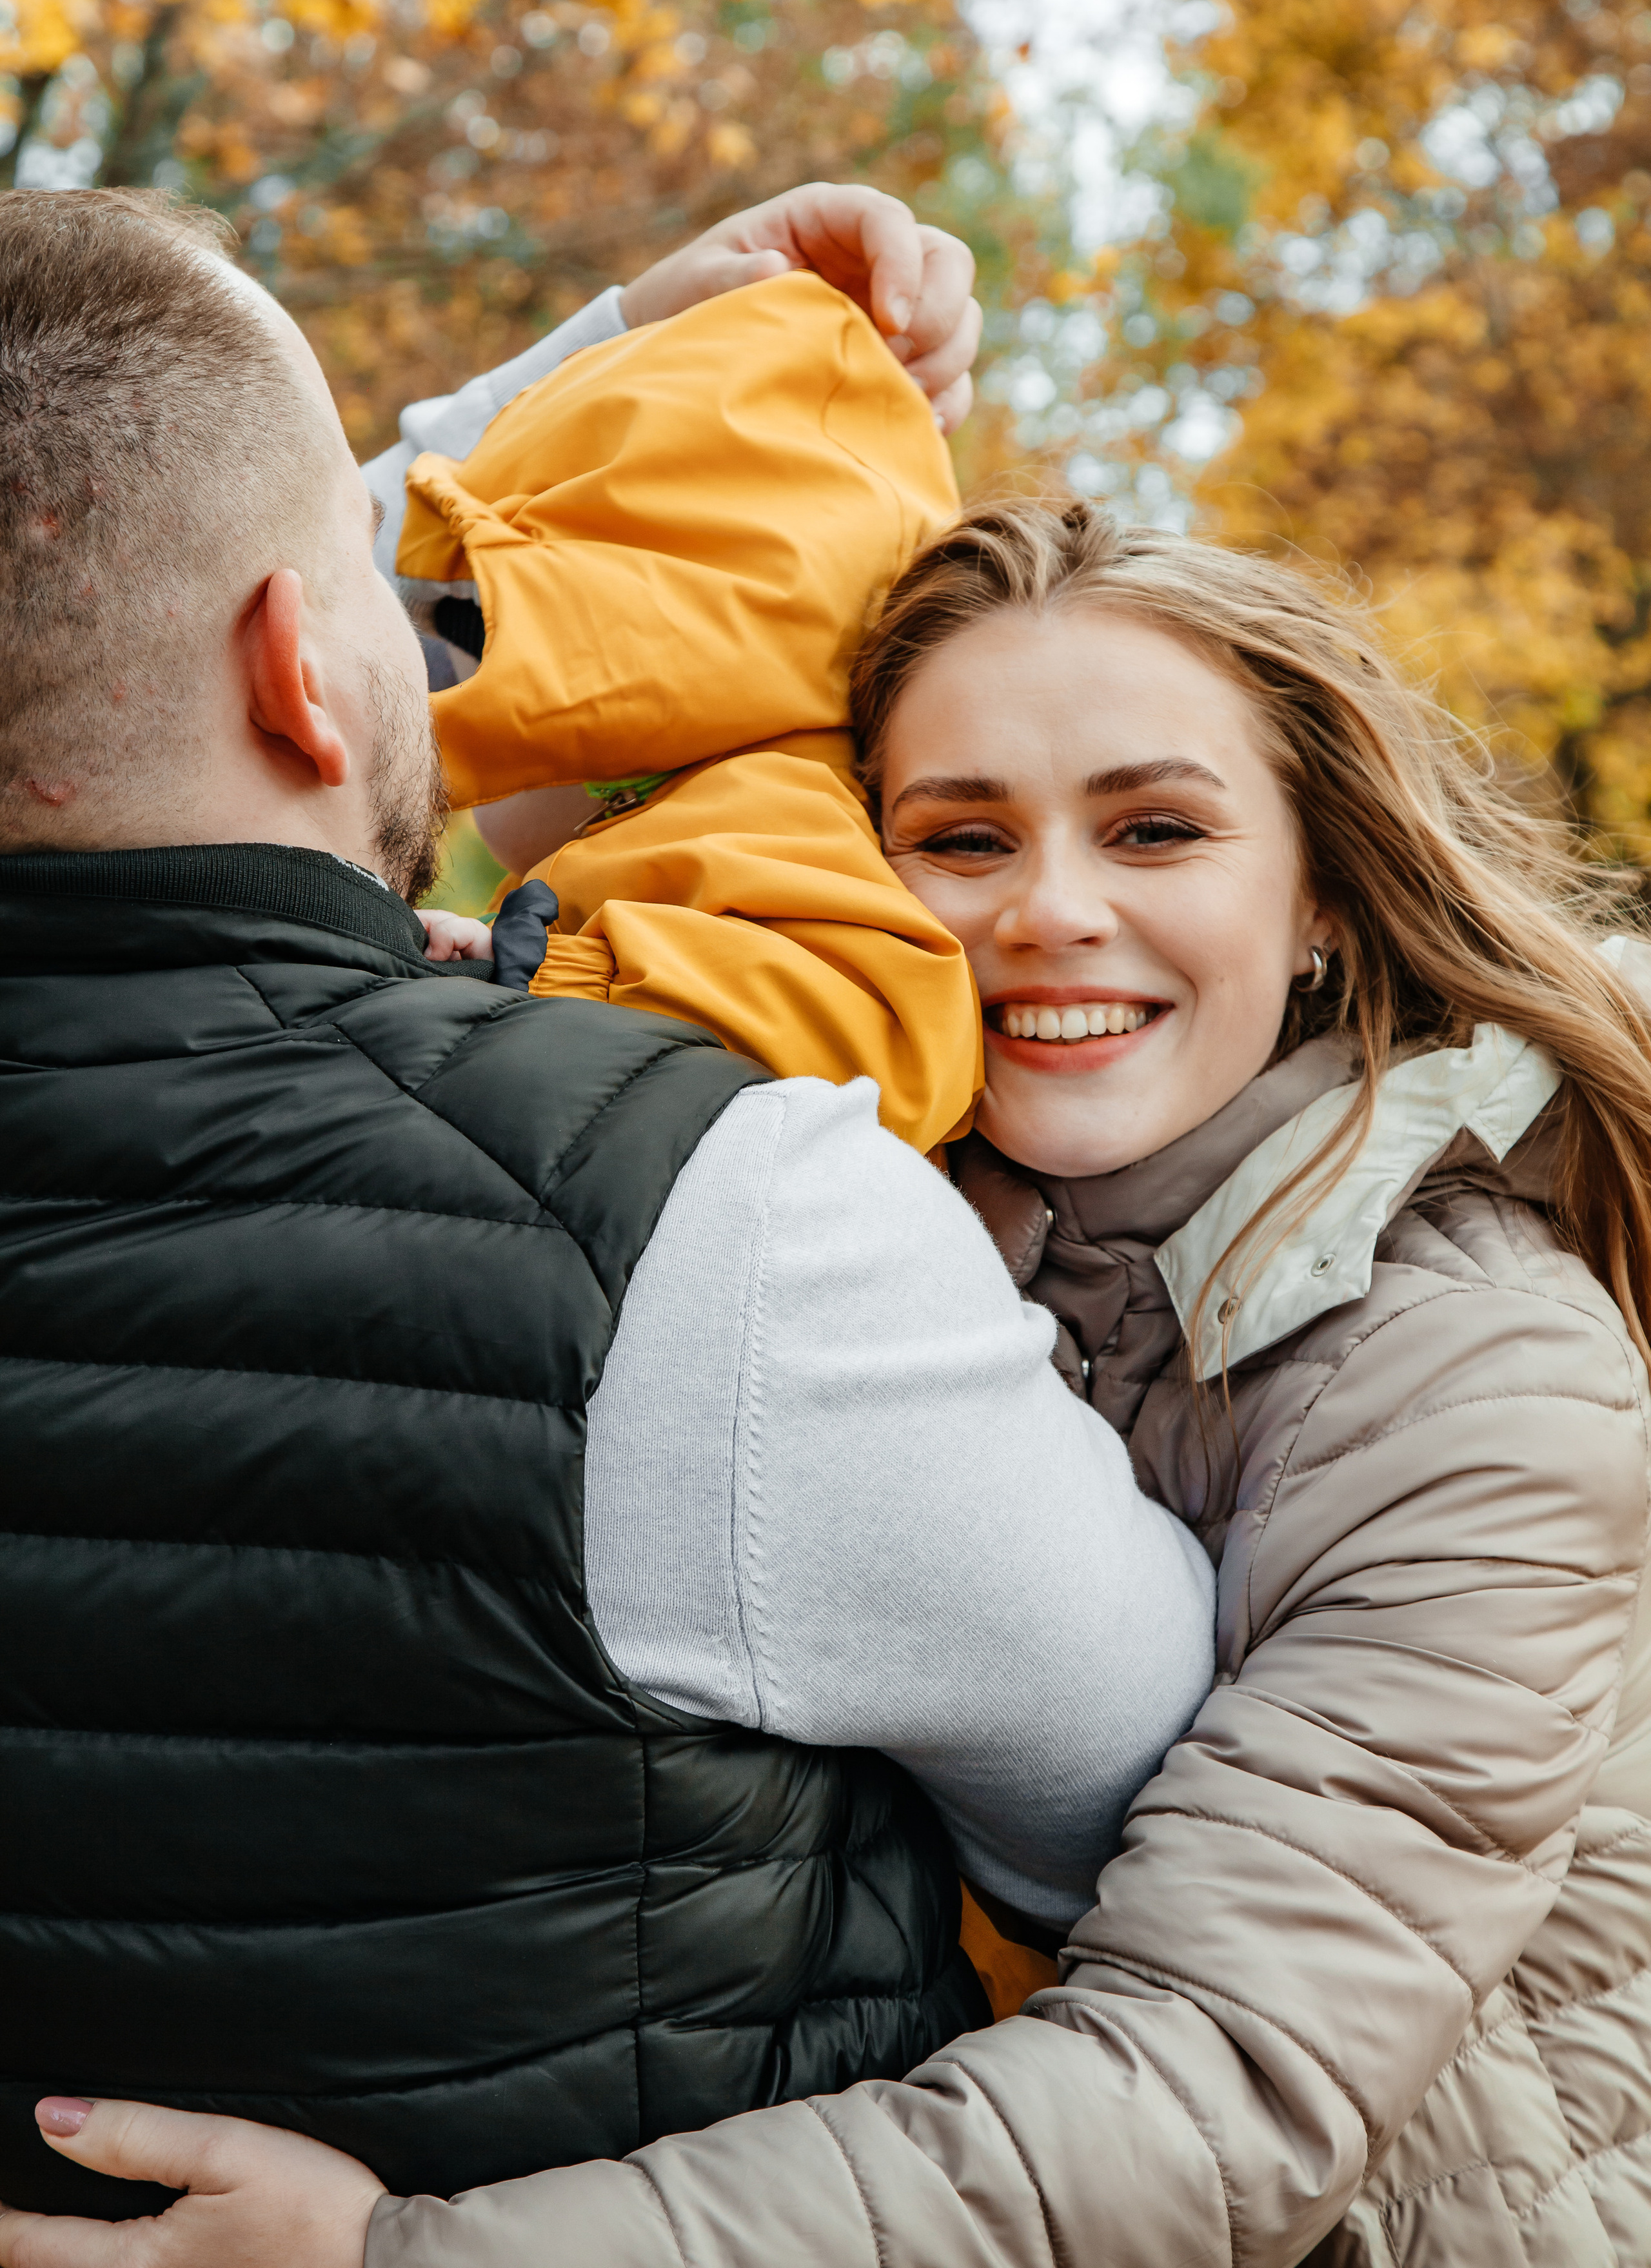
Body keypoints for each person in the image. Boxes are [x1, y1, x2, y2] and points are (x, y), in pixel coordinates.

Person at [17, 447, 1651, 2261]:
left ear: (1326, 901)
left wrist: (418, 2259)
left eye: (1156, 831)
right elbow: (166, 556)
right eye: (960, 838)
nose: (1049, 912)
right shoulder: (853, 1195)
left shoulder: (1470, 1374)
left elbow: (1216, 2096)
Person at [0, 184, 1216, 2231]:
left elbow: (116, 552)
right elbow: (1140, 1813)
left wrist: (610, 337)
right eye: (404, 595)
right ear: (309, 671)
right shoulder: (710, 1217)